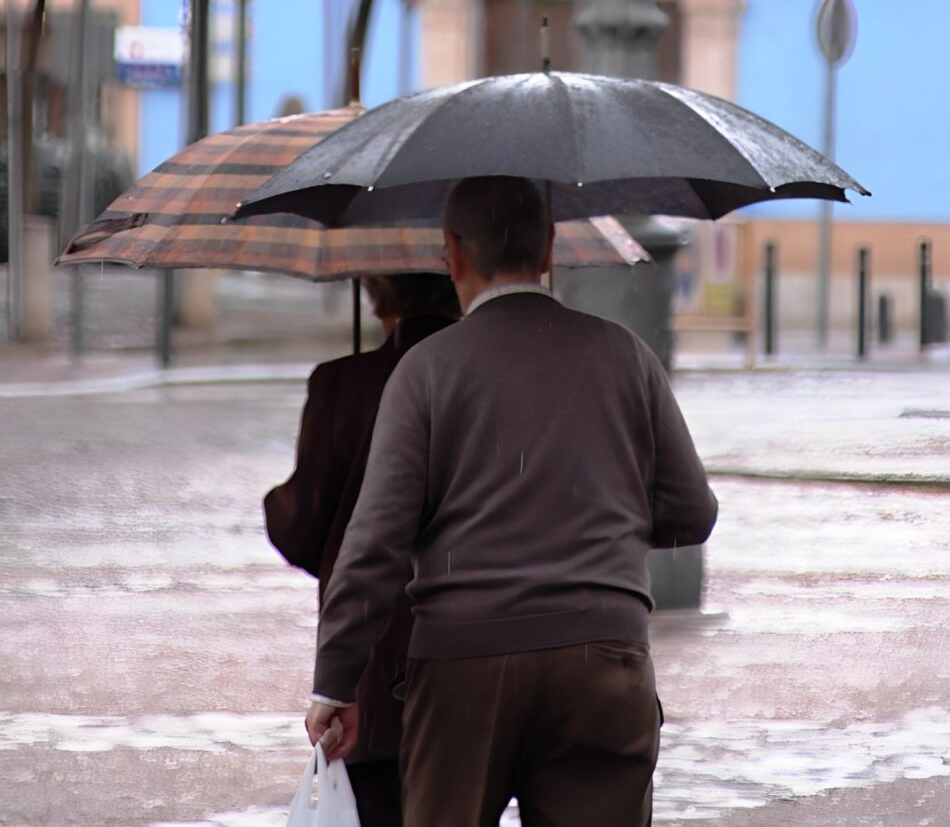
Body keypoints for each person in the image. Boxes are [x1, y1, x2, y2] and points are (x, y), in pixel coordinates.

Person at [305, 176, 718, 827]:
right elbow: (693, 511)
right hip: (604, 656)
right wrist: (599, 520)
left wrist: (337, 680)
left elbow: (377, 539)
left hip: (465, 664)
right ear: (550, 247)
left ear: (453, 253)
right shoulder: (626, 356)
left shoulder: (428, 369)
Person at [264, 273, 460, 827]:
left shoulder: (343, 383)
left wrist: (276, 505)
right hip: (475, 648)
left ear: (377, 301)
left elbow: (303, 527)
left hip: (373, 651)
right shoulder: (490, 377)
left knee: (380, 804)